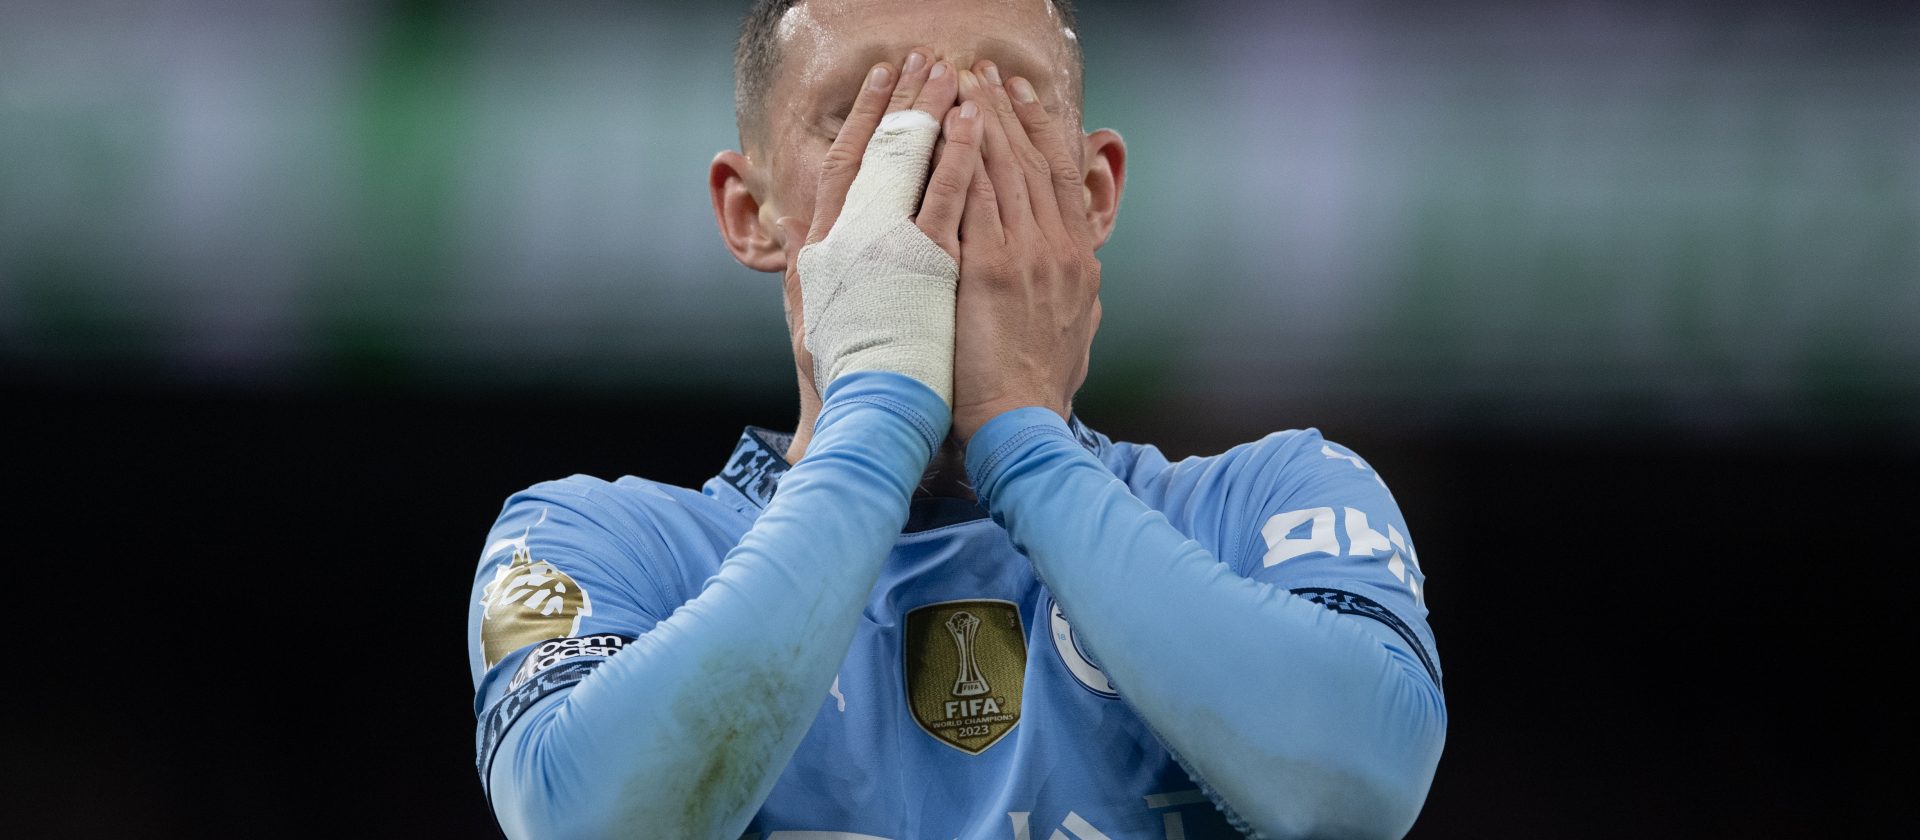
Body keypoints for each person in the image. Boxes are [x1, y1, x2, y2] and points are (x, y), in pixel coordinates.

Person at [466, 1, 1446, 837]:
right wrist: (879, 417)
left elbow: (1358, 790)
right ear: (748, 212)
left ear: (1093, 193)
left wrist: (1021, 433)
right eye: (867, 112)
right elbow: (588, 819)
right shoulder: (583, 541)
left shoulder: (1273, 499)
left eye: (1005, 105)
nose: (942, 153)